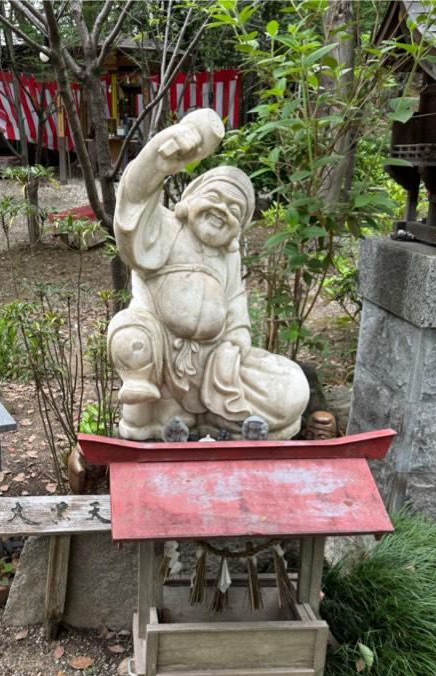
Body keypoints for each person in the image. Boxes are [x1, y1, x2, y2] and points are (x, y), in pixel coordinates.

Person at [108, 108, 309, 441]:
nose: (222, 211)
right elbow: (133, 198)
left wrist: (235, 345)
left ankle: (212, 421)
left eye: (235, 211)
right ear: (190, 200)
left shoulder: (228, 256)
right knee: (129, 333)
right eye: (214, 198)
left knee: (291, 389)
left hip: (216, 366)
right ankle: (150, 407)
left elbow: (236, 310)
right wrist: (159, 160)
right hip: (160, 352)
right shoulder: (166, 227)